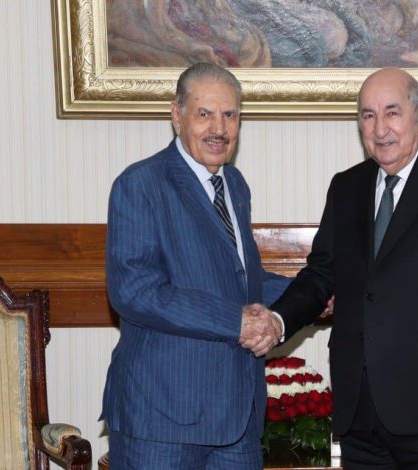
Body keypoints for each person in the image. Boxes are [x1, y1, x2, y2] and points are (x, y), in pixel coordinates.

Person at [270, 67, 418, 469]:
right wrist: (277, 320)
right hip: (359, 413)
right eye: (368, 116)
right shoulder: (346, 187)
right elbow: (321, 275)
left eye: (392, 112)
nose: (380, 128)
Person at [101, 62, 289, 469]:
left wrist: (312, 294)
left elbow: (242, 281)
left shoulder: (234, 185)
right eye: (205, 114)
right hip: (162, 419)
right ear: (177, 115)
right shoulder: (140, 184)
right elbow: (135, 291)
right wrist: (235, 321)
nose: (219, 128)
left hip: (237, 418)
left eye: (230, 115)